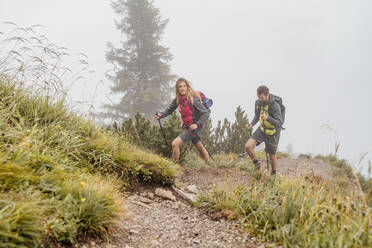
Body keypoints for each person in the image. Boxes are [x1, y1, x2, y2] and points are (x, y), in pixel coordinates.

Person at [155, 78, 210, 162]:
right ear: (177, 88)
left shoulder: (193, 99)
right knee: (199, 146)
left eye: (184, 86)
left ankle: (173, 167)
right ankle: (210, 167)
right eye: (180, 86)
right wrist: (161, 114)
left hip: (194, 127)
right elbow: (169, 110)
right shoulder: (178, 99)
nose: (182, 88)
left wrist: (197, 124)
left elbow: (206, 113)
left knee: (175, 144)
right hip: (188, 126)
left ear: (187, 87)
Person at [245, 85, 283, 175]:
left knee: (271, 156)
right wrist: (252, 124)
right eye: (258, 97)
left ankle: (273, 174)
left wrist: (267, 118)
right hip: (262, 130)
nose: (260, 100)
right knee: (248, 146)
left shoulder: (275, 105)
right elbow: (257, 115)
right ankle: (257, 164)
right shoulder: (258, 102)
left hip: (273, 133)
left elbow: (279, 123)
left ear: (267, 94)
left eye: (261, 98)